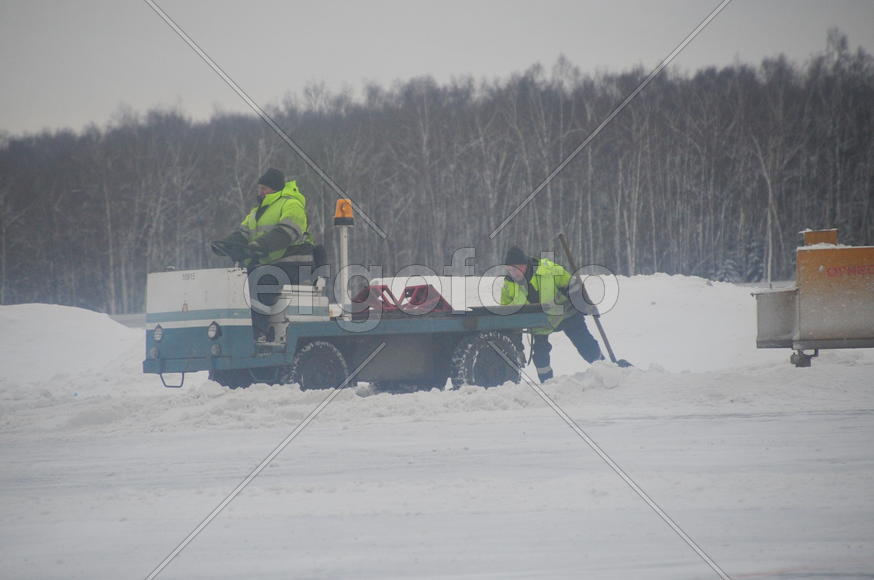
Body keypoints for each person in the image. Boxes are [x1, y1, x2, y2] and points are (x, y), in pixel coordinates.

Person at [212, 168, 315, 340]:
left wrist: (260, 245)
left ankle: (257, 331)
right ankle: (234, 330)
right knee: (237, 282)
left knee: (259, 280)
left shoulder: (292, 204)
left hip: (293, 265)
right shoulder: (256, 213)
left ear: (275, 188)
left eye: (264, 188)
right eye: (259, 188)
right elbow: (242, 233)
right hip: (271, 265)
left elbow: (285, 233)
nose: (260, 191)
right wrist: (226, 244)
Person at [500, 246, 603, 382]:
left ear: (525, 265)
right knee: (540, 356)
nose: (514, 273)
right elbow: (510, 319)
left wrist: (585, 305)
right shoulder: (508, 285)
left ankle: (604, 369)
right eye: (510, 269)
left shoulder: (547, 269)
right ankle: (548, 383)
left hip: (566, 314)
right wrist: (517, 348)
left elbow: (573, 286)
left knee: (585, 344)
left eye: (516, 268)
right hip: (540, 323)